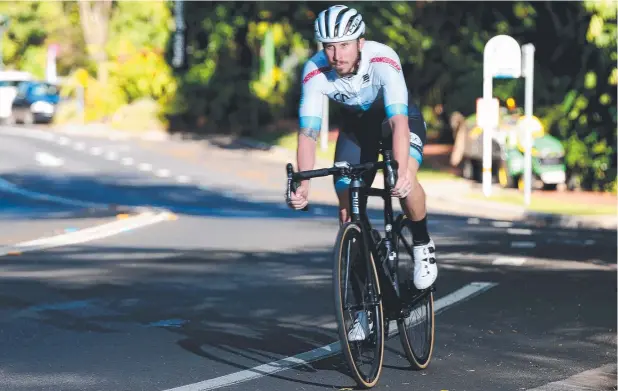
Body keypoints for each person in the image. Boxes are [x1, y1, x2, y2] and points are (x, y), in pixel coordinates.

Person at [286, 5, 438, 340]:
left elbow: (399, 122)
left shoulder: (382, 60)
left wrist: (400, 170)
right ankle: (364, 310)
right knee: (347, 215)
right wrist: (303, 181)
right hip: (357, 130)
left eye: (343, 45)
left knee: (406, 174)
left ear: (360, 42)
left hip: (395, 118)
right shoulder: (315, 72)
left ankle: (423, 244)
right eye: (328, 45)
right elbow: (308, 131)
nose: (335, 54)